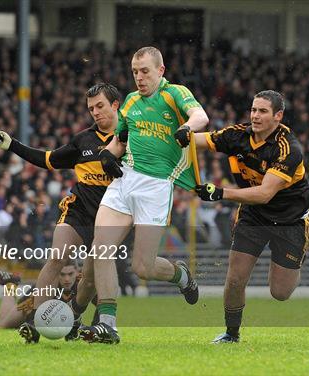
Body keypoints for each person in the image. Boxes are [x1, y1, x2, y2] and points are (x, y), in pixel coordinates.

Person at [79, 46, 209, 344]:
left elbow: (200, 116)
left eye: (145, 71)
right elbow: (119, 141)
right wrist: (108, 157)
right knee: (101, 249)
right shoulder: (131, 101)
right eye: (135, 72)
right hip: (125, 182)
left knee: (143, 267)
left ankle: (181, 276)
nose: (139, 77)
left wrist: (186, 128)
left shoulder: (174, 93)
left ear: (160, 71)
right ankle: (108, 325)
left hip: (156, 187)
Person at [0, 83, 123, 343]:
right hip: (78, 210)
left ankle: (84, 321)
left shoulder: (131, 138)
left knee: (90, 278)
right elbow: (48, 159)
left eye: (100, 106)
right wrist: (13, 145)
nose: (95, 112)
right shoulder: (82, 140)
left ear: (115, 105)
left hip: (111, 215)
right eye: (91, 108)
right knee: (57, 257)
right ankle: (35, 323)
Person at [193, 90, 309, 343]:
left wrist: (220, 193)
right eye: (253, 110)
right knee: (235, 278)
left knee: (280, 292)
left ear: (278, 116)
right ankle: (231, 334)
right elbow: (197, 141)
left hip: (290, 219)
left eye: (262, 111)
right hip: (253, 216)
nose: (255, 116)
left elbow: (264, 194)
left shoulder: (288, 148)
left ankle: (293, 259)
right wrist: (176, 134)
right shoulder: (236, 135)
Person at [0, 263, 98, 337]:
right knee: (3, 324)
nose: (67, 279)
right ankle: (10, 284)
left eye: (70, 274)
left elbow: (100, 303)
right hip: (33, 308)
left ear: (77, 272)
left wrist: (96, 326)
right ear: (56, 274)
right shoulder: (46, 286)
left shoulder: (84, 284)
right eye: (62, 274)